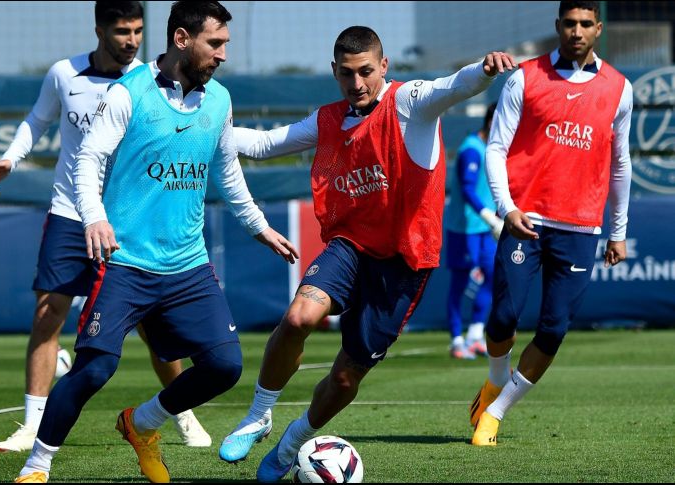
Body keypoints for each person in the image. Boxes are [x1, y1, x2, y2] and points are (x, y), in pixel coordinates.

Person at [13, 1, 298, 483]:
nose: (223, 54)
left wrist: (258, 226)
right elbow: (87, 160)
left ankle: (141, 423)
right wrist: (95, 218)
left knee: (225, 366)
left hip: (187, 266)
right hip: (126, 263)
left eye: (226, 43)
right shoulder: (130, 93)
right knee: (94, 371)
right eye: (216, 43)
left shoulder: (220, 101)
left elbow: (226, 172)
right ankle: (36, 466)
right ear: (182, 40)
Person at [216, 26, 515, 482]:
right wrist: (200, 128)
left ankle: (291, 444)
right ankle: (259, 414)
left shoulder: (410, 101)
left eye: (366, 72)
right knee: (298, 318)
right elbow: (262, 144)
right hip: (349, 245)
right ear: (334, 71)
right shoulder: (327, 119)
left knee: (342, 379)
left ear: (384, 67)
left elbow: (455, 85)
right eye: (346, 74)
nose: (357, 84)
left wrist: (484, 69)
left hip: (404, 261)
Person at [0, 1, 212, 455]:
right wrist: (12, 157)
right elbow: (37, 120)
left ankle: (182, 414)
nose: (131, 41)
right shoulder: (63, 75)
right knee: (49, 311)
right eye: (122, 31)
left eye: (138, 31)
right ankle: (33, 424)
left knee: (152, 325)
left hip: (129, 219)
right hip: (72, 212)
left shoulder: (152, 83)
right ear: (99, 30)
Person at [469, 0, 632, 446]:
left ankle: (495, 413)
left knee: (554, 328)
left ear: (597, 28)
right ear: (557, 26)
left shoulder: (620, 88)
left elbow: (621, 165)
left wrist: (617, 231)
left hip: (581, 229)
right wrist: (507, 208)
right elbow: (496, 148)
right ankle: (495, 381)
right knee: (503, 315)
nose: (576, 31)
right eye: (568, 23)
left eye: (585, 24)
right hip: (526, 220)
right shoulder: (525, 77)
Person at [444, 102, 503, 360]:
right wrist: (489, 216)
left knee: (493, 276)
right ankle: (457, 341)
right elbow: (467, 190)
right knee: (460, 283)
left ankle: (476, 335)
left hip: (486, 229)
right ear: (491, 122)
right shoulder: (471, 149)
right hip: (464, 228)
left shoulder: (495, 150)